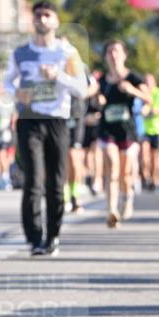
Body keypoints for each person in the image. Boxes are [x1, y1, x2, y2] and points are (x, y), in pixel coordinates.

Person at [3, 0, 87, 257]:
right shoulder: (20, 53)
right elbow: (5, 82)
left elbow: (81, 89)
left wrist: (57, 76)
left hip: (57, 122)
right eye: (38, 15)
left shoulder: (67, 53)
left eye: (47, 15)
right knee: (33, 180)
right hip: (29, 121)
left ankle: (53, 236)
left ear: (56, 21)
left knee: (56, 182)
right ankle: (35, 237)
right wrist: (16, 92)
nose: (42, 19)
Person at [97, 39, 151, 227]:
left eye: (117, 51)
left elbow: (148, 99)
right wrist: (98, 101)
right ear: (105, 56)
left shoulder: (133, 78)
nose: (113, 55)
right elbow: (94, 100)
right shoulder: (102, 80)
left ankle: (127, 197)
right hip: (107, 129)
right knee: (111, 167)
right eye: (110, 51)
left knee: (125, 173)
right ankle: (111, 210)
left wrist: (132, 90)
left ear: (124, 55)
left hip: (127, 131)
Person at [64, 67, 99, 214]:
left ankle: (75, 196)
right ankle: (63, 196)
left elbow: (94, 86)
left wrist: (82, 94)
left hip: (77, 116)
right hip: (58, 116)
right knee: (61, 158)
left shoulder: (80, 66)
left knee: (74, 156)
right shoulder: (53, 63)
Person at [141, 73, 159, 191]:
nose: (148, 83)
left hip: (158, 130)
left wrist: (156, 110)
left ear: (154, 82)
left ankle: (155, 180)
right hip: (144, 130)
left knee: (156, 159)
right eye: (146, 81)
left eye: (150, 81)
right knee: (144, 156)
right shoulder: (142, 94)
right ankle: (146, 177)